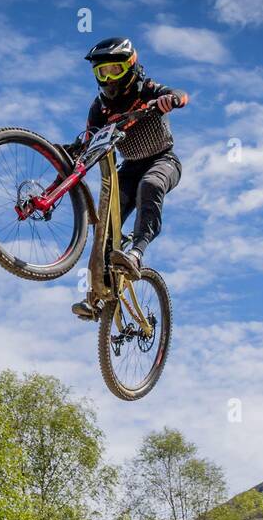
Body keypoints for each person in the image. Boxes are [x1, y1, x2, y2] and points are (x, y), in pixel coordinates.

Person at [65, 36, 189, 320]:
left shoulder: (147, 90)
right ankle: (96, 298)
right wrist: (72, 150)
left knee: (151, 185)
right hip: (129, 168)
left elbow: (180, 94)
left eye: (115, 70)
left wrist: (171, 100)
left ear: (131, 68)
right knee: (104, 221)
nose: (108, 79)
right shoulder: (100, 107)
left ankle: (136, 252)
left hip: (163, 160)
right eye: (102, 72)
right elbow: (89, 138)